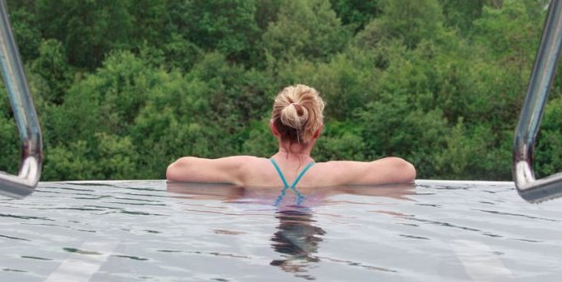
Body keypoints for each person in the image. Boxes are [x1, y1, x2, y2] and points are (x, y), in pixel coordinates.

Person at [165, 84, 416, 190]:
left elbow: (177, 169)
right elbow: (404, 170)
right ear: (317, 131)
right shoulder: (333, 174)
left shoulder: (247, 169)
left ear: (274, 127)